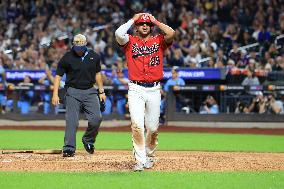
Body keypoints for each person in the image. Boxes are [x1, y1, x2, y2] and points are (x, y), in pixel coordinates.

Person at [115, 13, 175, 171]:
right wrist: (133, 19)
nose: (144, 26)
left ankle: (149, 155)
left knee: (153, 128)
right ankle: (140, 161)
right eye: (141, 23)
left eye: (147, 24)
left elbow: (171, 33)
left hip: (155, 89)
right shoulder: (130, 41)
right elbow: (118, 34)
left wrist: (155, 20)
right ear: (136, 26)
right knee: (137, 125)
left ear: (151, 27)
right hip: (136, 88)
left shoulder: (159, 40)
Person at [52, 34, 106, 157]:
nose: (79, 49)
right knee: (72, 121)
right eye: (77, 46)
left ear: (85, 44)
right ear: (73, 45)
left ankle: (88, 140)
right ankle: (69, 148)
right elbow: (58, 76)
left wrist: (101, 91)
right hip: (73, 91)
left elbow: (97, 74)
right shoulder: (67, 57)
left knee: (96, 118)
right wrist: (55, 94)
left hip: (90, 91)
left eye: (81, 46)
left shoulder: (94, 56)